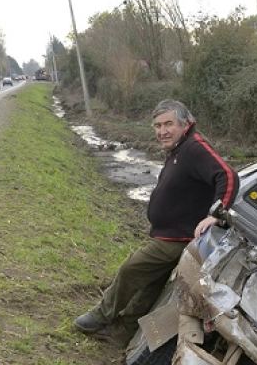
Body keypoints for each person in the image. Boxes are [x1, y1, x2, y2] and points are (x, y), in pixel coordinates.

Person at [74, 99, 238, 346]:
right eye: (158, 125)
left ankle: (101, 315)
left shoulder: (194, 147)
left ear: (185, 124)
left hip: (180, 237)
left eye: (168, 124)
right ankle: (122, 332)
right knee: (150, 285)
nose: (162, 131)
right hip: (168, 233)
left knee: (132, 270)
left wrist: (214, 215)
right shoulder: (179, 149)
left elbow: (227, 175)